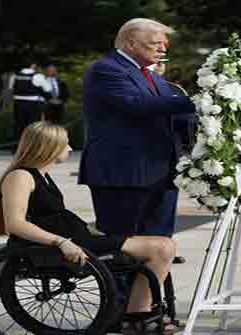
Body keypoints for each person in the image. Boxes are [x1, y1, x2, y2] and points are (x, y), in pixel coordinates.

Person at [0, 121, 179, 334]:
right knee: (162, 248)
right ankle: (135, 317)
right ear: (48, 147)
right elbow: (15, 224)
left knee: (162, 247)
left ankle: (136, 313)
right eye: (66, 144)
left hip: (77, 239)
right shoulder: (20, 177)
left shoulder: (42, 176)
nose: (70, 149)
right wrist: (61, 242)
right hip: (59, 246)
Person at [78, 18, 196, 238]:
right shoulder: (107, 70)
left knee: (159, 246)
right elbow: (137, 105)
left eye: (165, 44)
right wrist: (199, 99)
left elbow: (174, 115)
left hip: (161, 174)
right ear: (131, 44)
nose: (162, 48)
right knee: (124, 249)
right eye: (155, 43)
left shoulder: (152, 77)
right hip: (123, 175)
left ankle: (151, 275)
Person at [10, 62, 52, 152]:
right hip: (33, 105)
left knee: (18, 126)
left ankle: (17, 148)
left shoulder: (15, 76)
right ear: (33, 65)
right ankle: (33, 149)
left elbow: (11, 88)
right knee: (34, 127)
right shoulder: (37, 76)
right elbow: (48, 90)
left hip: (18, 104)